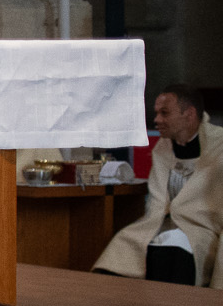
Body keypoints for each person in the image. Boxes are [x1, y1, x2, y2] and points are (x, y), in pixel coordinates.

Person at [95, 84, 222, 286]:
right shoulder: (163, 148)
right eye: (156, 113)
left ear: (189, 114)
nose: (157, 120)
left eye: (165, 113)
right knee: (118, 252)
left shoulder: (219, 146)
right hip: (159, 224)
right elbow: (158, 201)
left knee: (174, 249)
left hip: (201, 228)